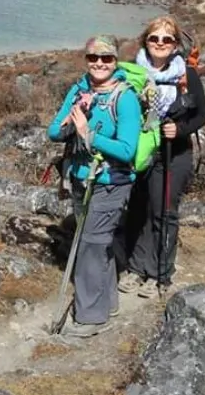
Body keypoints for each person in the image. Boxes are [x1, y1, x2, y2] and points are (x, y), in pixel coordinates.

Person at [47, 34, 141, 337]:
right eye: (93, 58)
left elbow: (127, 149)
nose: (99, 63)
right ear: (86, 60)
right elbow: (53, 131)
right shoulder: (79, 90)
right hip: (79, 177)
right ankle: (108, 301)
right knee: (98, 244)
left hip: (110, 183)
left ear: (116, 61)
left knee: (90, 245)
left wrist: (89, 133)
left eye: (106, 58)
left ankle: (90, 317)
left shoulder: (124, 98)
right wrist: (72, 122)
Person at [118, 16, 205, 298]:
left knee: (163, 213)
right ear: (145, 41)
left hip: (174, 152)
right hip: (142, 150)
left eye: (166, 39)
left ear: (175, 45)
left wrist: (178, 129)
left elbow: (201, 115)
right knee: (138, 209)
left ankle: (159, 271)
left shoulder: (186, 75)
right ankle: (136, 268)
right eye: (154, 38)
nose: (160, 44)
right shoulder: (133, 73)